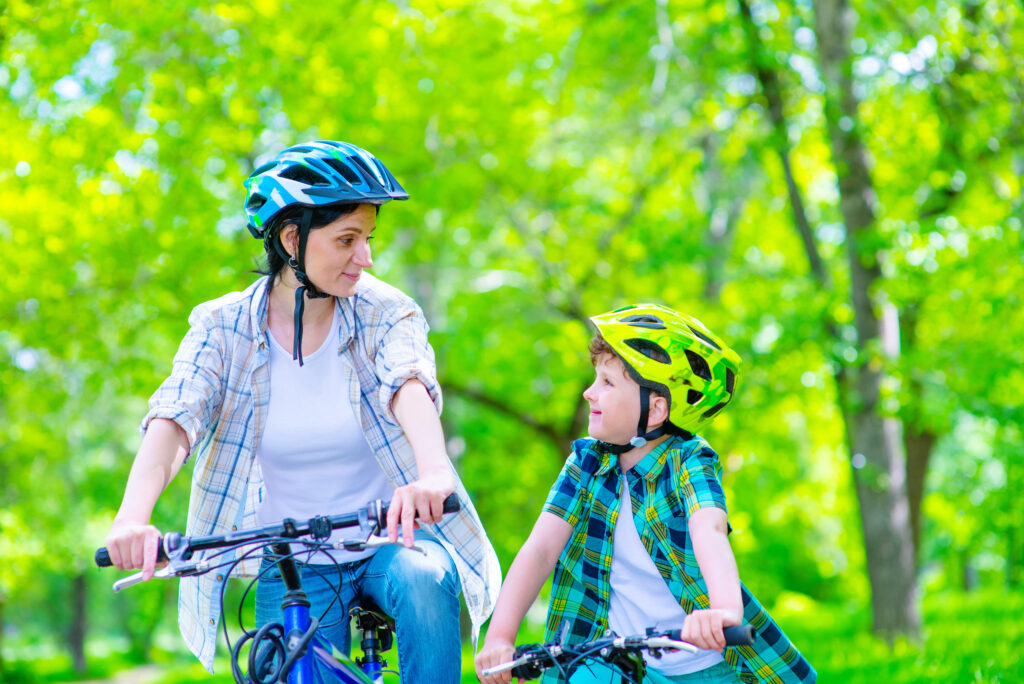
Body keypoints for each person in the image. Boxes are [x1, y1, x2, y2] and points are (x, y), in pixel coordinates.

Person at [103, 140, 500, 682]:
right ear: (292, 239)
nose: (366, 258)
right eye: (347, 239)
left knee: (423, 579)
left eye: (368, 239)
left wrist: (432, 472)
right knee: (288, 664)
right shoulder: (221, 328)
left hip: (391, 542)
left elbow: (408, 381)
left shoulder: (386, 312)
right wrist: (132, 517)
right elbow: (177, 415)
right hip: (291, 559)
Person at [475, 304, 815, 683]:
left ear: (654, 410)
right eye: (595, 378)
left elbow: (709, 528)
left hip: (705, 665)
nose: (589, 393)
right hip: (618, 659)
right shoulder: (585, 464)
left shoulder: (688, 461)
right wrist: (500, 636)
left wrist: (723, 610)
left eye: (607, 383)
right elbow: (540, 550)